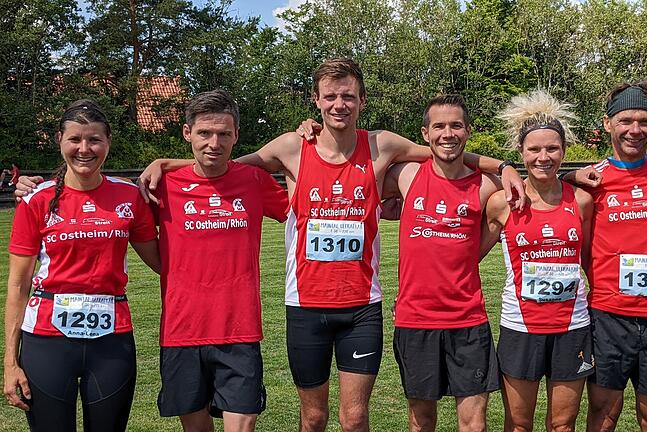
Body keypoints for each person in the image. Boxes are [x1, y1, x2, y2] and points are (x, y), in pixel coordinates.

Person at [124, 58, 525, 432]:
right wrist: (167, 164)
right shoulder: (291, 147)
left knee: (354, 419)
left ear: (362, 100)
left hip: (361, 306)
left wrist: (503, 166)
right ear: (316, 101)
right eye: (330, 96)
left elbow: (447, 151)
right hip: (305, 305)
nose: (339, 104)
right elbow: (225, 163)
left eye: (348, 95)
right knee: (313, 418)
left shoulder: (382, 145)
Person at [3, 100, 160, 432]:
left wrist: (166, 163)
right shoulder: (37, 200)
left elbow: (163, 263)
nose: (84, 149)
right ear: (60, 140)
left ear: (108, 143)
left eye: (94, 140)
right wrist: (9, 362)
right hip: (45, 340)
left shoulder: (129, 197)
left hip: (112, 340)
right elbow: (17, 285)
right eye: (75, 139)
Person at [565, 81, 647, 432]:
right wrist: (570, 174)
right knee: (603, 415)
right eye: (625, 120)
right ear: (608, 124)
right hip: (609, 317)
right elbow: (544, 180)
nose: (635, 130)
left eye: (644, 121)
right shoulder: (593, 178)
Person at [152, 90, 288, 431]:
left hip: (239, 331)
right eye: (204, 133)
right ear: (187, 134)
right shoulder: (161, 185)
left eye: (224, 134)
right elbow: (99, 195)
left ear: (236, 136)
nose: (214, 142)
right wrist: (32, 187)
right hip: (181, 331)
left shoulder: (254, 181)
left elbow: (305, 207)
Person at [382, 94, 501, 431]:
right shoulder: (406, 175)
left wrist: (505, 168)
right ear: (425, 133)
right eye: (439, 126)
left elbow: (534, 189)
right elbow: (354, 171)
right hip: (415, 319)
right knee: (422, 423)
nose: (448, 133)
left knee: (474, 423)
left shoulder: (485, 185)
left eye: (456, 126)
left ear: (468, 131)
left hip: (468, 319)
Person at [483, 90, 593, 432]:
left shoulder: (583, 201)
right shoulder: (502, 203)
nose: (543, 157)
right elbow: (464, 257)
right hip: (520, 328)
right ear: (521, 153)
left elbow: (591, 259)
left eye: (552, 148)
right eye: (534, 149)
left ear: (563, 152)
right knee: (518, 424)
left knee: (563, 424)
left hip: (572, 326)